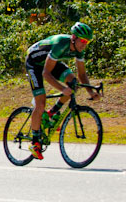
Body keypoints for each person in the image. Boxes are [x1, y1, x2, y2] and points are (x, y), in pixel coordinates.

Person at [25, 22, 100, 160]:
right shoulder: (61, 44)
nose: (84, 44)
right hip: (34, 63)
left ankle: (51, 113)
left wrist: (91, 92)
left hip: (50, 61)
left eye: (87, 41)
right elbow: (46, 74)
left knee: (74, 83)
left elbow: (82, 75)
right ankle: (34, 142)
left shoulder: (79, 49)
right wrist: (62, 89)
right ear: (74, 37)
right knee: (40, 102)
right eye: (82, 40)